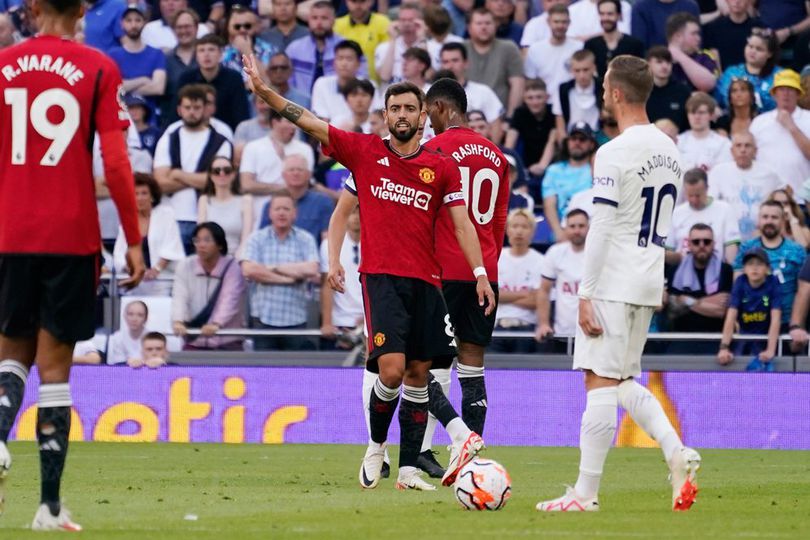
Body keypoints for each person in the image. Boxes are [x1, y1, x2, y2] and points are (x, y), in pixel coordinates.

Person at [245, 50, 495, 490]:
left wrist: (478, 272)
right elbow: (309, 121)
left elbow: (462, 223)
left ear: (423, 117)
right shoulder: (363, 152)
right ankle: (376, 447)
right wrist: (266, 92)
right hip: (380, 278)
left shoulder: (440, 168)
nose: (401, 114)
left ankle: (409, 470)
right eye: (394, 108)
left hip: (428, 282)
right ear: (384, 116)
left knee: (420, 375)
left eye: (409, 108)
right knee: (393, 371)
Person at [0, 0, 145, 529]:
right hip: (71, 235)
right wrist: (133, 239)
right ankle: (49, 507)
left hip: (10, 234)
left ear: (32, 8)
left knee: (10, 355)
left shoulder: (2, 65)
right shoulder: (99, 67)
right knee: (55, 372)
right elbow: (116, 161)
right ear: (82, 8)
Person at [536, 55, 700, 513]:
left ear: (617, 93)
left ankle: (584, 495)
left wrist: (585, 292)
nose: (604, 92)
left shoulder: (613, 151)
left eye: (606, 85)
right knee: (623, 378)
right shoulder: (670, 149)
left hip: (612, 278)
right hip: (648, 278)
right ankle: (676, 452)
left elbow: (602, 226)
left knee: (599, 383)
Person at [416, 77, 510, 477]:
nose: (424, 122)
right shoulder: (498, 157)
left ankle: (426, 449)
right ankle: (472, 461)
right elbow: (501, 220)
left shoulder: (433, 150)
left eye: (425, 113)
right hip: (483, 273)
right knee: (473, 365)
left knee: (426, 365)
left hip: (441, 270)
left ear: (439, 108)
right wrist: (486, 266)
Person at [153, 84, 233, 253]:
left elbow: (219, 181)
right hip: (171, 218)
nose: (192, 112)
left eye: (197, 107)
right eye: (187, 107)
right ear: (179, 109)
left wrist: (177, 174)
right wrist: (198, 179)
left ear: (206, 109)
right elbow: (160, 183)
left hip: (207, 218)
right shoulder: (168, 138)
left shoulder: (221, 141)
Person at [172, 222, 246, 351]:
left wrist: (216, 324)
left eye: (207, 240)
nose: (201, 245)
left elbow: (229, 298)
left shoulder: (232, 267)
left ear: (220, 245)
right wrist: (178, 320)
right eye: (197, 240)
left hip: (227, 340)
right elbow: (179, 296)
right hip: (195, 339)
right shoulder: (185, 265)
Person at [733, 200, 806, 328]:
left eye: (774, 217)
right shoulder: (746, 248)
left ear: (783, 221)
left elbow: (803, 291)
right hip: (753, 321)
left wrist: (797, 324)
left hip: (787, 323)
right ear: (758, 220)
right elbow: (737, 286)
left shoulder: (797, 251)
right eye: (765, 217)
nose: (769, 221)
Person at [113, 173, 185, 294]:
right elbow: (119, 252)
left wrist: (156, 270)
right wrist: (129, 267)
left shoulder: (166, 214)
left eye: (144, 193)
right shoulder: (128, 220)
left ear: (152, 196)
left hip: (162, 280)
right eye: (136, 194)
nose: (140, 198)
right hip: (135, 281)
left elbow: (172, 245)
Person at [708, 132, 783, 241]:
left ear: (755, 151)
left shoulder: (769, 173)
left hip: (762, 236)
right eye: (738, 146)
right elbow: (711, 203)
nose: (743, 150)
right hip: (727, 236)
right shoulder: (718, 172)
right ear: (732, 151)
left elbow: (785, 193)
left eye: (747, 145)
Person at [749, 69, 810, 200]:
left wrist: (792, 127)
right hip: (766, 199)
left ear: (798, 94)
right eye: (781, 89)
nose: (785, 94)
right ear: (774, 94)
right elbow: (750, 157)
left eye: (790, 89)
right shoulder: (759, 122)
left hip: (802, 199)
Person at [490, 209, 543, 353]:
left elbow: (537, 301)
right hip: (497, 330)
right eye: (514, 226)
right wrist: (525, 294)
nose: (519, 231)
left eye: (524, 227)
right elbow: (491, 296)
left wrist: (504, 296)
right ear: (507, 230)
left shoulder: (540, 261)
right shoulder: (496, 258)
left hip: (527, 330)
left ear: (532, 231)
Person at [718, 248, 781, 368]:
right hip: (744, 335)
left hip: (764, 336)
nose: (754, 268)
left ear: (767, 269)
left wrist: (770, 349)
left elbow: (776, 318)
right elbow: (731, 317)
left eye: (759, 264)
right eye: (750, 264)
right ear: (744, 269)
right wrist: (724, 348)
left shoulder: (773, 282)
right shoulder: (740, 282)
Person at [665, 223, 733, 335]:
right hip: (681, 338)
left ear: (714, 244)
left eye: (706, 241)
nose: (702, 245)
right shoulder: (674, 271)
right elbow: (673, 311)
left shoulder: (725, 270)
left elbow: (721, 311)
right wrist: (706, 302)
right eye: (696, 242)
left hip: (715, 337)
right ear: (689, 245)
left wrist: (687, 300)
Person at [536, 208, 588, 346]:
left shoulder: (598, 253)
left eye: (581, 226)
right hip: (561, 334)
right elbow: (544, 291)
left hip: (592, 333)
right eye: (572, 226)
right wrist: (543, 324)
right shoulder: (555, 253)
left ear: (589, 228)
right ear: (565, 228)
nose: (577, 230)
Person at [177, 34, 251, 131]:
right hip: (191, 130)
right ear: (196, 56)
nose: (206, 54)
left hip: (227, 132)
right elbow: (176, 112)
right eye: (201, 50)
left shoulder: (234, 78)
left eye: (211, 50)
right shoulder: (186, 79)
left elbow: (241, 114)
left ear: (220, 54)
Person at [464, 8, 524, 120]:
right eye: (479, 23)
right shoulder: (461, 48)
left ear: (495, 25)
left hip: (499, 117)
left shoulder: (508, 48)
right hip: (466, 117)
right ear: (469, 27)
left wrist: (510, 118)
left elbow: (517, 84)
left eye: (488, 23)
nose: (484, 27)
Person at [108, 4, 166, 119]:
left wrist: (126, 87)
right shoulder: (113, 55)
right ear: (122, 24)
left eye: (137, 20)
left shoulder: (156, 54)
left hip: (149, 120)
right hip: (122, 117)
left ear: (144, 22)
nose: (133, 25)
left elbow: (158, 88)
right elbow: (113, 88)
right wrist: (143, 80)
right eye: (129, 20)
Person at [542, 122, 596, 242]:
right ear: (567, 142)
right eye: (573, 138)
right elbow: (549, 204)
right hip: (561, 233)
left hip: (591, 233)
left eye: (582, 139)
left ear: (591, 144)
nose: (577, 143)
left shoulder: (595, 168)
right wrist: (559, 233)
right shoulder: (554, 170)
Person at [319, 206, 363, 348]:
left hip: (370, 322)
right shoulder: (329, 245)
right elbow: (327, 286)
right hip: (339, 322)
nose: (356, 217)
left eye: (360, 212)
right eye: (352, 212)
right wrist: (327, 322)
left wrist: (370, 319)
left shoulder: (379, 244)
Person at [524, 4, 582, 108]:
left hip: (572, 103)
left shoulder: (579, 47)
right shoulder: (535, 49)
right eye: (556, 22)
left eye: (564, 22)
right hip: (545, 105)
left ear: (569, 23)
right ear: (548, 22)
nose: (560, 26)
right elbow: (530, 80)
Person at [197, 156, 253, 257]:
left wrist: (236, 260)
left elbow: (246, 239)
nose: (222, 174)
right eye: (216, 171)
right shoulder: (204, 200)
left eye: (227, 170)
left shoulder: (245, 201)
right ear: (210, 175)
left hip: (237, 257)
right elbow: (202, 235)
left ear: (233, 174)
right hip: (211, 258)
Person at [715, 28, 781, 112]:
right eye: (750, 46)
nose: (752, 51)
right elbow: (719, 101)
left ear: (770, 54)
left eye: (759, 49)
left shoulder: (780, 75)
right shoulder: (731, 72)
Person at [286, 1, 344, 94]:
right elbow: (287, 82)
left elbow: (359, 78)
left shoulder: (345, 47)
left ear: (334, 20)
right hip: (300, 105)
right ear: (308, 20)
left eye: (324, 18)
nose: (319, 23)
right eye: (314, 18)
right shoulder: (294, 49)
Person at [504, 78, 557, 179]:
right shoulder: (519, 113)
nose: (535, 102)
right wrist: (505, 161)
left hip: (550, 164)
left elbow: (552, 141)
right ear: (524, 99)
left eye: (539, 97)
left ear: (547, 97)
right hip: (525, 164)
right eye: (530, 98)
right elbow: (510, 141)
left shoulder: (553, 113)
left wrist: (542, 165)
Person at [584, 0, 644, 78]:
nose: (605, 18)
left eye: (610, 14)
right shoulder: (590, 45)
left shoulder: (634, 45)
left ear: (619, 15)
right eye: (602, 14)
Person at [333, 0, 390, 82]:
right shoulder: (336, 25)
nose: (358, 6)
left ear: (371, 2)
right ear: (346, 2)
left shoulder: (383, 23)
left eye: (362, 1)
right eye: (354, 1)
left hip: (376, 85)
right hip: (343, 83)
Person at [311, 39, 365, 122]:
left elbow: (374, 119)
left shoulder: (368, 86)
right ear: (334, 62)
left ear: (358, 63)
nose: (344, 63)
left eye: (349, 59)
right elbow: (320, 119)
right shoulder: (321, 84)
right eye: (340, 58)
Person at [677, 93, 732, 172]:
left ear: (711, 115)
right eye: (693, 112)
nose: (697, 117)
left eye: (701, 112)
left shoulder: (723, 144)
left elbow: (723, 173)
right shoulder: (678, 142)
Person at [665, 11, 718, 92]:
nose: (699, 38)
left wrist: (679, 56)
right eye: (694, 34)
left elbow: (709, 84)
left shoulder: (705, 56)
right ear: (678, 36)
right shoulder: (659, 57)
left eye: (698, 34)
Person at [702, 0, 764, 70]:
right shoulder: (714, 27)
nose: (737, 1)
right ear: (726, 1)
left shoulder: (759, 28)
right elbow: (714, 57)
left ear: (749, 2)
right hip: (724, 78)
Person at [375, 3, 427, 85]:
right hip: (392, 92)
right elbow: (384, 77)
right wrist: (393, 39)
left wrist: (422, 39)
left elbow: (428, 75)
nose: (406, 24)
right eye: (402, 20)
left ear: (420, 21)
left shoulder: (428, 46)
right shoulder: (383, 47)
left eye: (410, 20)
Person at [553, 48, 602, 136]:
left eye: (585, 70)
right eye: (577, 70)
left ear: (594, 68)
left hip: (599, 140)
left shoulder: (603, 87)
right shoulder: (563, 90)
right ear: (571, 70)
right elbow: (560, 126)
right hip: (571, 140)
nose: (581, 75)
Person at [221, 4, 276, 80]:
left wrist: (247, 50)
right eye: (237, 26)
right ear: (228, 27)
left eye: (247, 26)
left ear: (256, 27)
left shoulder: (270, 50)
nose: (242, 30)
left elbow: (269, 81)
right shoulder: (220, 53)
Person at [645, 46, 691, 132]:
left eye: (668, 62)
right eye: (659, 62)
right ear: (648, 64)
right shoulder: (641, 92)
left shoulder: (682, 91)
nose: (665, 66)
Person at [630, 0, 700, 50]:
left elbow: (697, 44)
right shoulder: (640, 7)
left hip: (688, 62)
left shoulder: (691, 6)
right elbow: (639, 47)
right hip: (653, 63)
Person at [107, 300, 150, 365]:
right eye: (130, 314)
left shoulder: (153, 338)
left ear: (146, 318)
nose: (134, 319)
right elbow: (116, 365)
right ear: (124, 316)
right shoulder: (117, 338)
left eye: (140, 315)